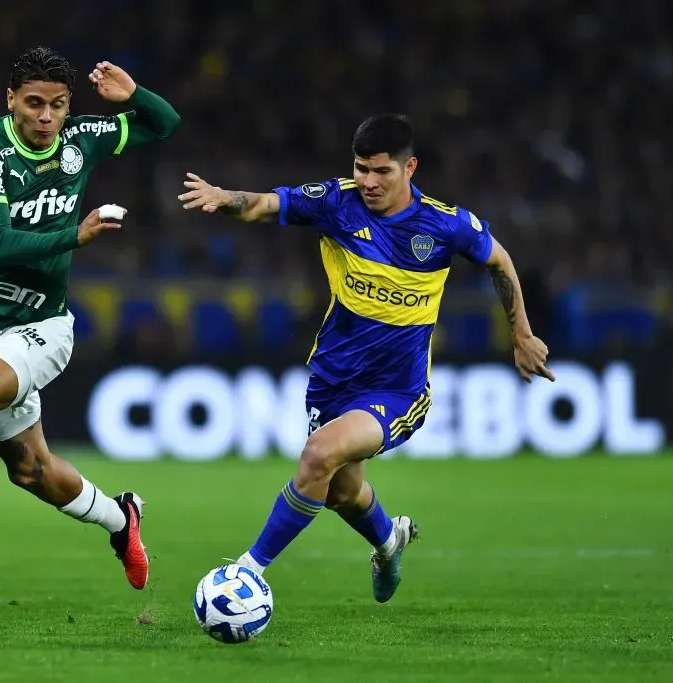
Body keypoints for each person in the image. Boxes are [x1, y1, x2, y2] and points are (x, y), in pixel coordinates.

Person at [178, 113, 553, 603]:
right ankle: (388, 539)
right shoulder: (337, 202)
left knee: (318, 456)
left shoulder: (444, 225)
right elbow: (264, 206)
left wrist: (521, 333)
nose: (369, 182)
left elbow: (498, 260)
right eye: (361, 169)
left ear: (409, 168)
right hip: (332, 380)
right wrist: (226, 198)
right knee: (338, 490)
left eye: (382, 172)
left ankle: (248, 572)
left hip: (397, 390)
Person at [0, 46, 180, 594]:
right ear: (11, 100)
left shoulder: (81, 139)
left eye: (58, 105)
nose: (45, 117)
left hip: (43, 327)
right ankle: (120, 518)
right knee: (31, 470)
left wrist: (133, 95)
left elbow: (165, 124)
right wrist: (75, 235)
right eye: (33, 103)